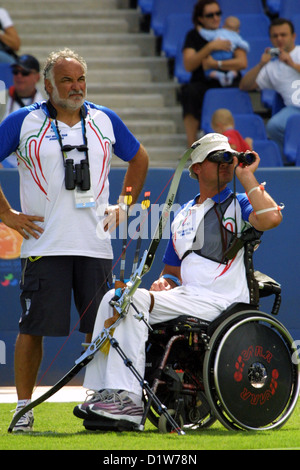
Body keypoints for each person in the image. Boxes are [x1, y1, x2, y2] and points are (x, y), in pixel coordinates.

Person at [73, 132, 283, 429]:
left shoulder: (239, 203)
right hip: (188, 297)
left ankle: (129, 400)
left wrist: (246, 175)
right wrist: (165, 283)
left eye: (229, 156)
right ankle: (105, 392)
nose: (226, 163)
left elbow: (272, 218)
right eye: (217, 158)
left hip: (222, 303)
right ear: (196, 168)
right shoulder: (183, 214)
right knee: (112, 298)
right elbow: (171, 272)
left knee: (134, 302)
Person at [0, 48, 149, 432]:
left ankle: (100, 401)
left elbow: (139, 158)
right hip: (44, 246)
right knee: (32, 329)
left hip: (95, 244)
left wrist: (124, 203)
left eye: (80, 79)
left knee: (101, 327)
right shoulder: (23, 121)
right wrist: (6, 214)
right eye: (66, 80)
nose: (76, 86)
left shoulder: (104, 119)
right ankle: (22, 408)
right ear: (48, 85)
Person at [180, 0, 248, 147]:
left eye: (218, 13)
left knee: (242, 88)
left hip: (231, 81)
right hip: (203, 82)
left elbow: (242, 62)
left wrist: (216, 64)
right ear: (200, 18)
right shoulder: (193, 36)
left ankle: (239, 142)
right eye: (210, 15)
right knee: (189, 92)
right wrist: (210, 47)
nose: (216, 18)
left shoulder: (228, 34)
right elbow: (188, 64)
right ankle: (192, 147)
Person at [239, 18, 300, 164]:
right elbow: (244, 85)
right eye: (275, 36)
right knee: (273, 126)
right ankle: (288, 165)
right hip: (295, 109)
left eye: (283, 35)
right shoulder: (270, 68)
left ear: (293, 36)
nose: (279, 39)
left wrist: (291, 63)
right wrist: (261, 64)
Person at [0, 54, 44, 168]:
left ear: (37, 77)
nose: (19, 76)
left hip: (33, 165)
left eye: (25, 73)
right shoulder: (2, 98)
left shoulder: (46, 106)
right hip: (4, 163)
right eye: (16, 72)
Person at [200, 16, 250, 87]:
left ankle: (219, 75)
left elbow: (242, 64)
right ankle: (232, 73)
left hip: (215, 57)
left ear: (223, 26)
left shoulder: (217, 33)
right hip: (228, 56)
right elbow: (245, 45)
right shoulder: (237, 38)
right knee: (234, 69)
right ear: (238, 31)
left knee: (208, 71)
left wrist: (216, 63)